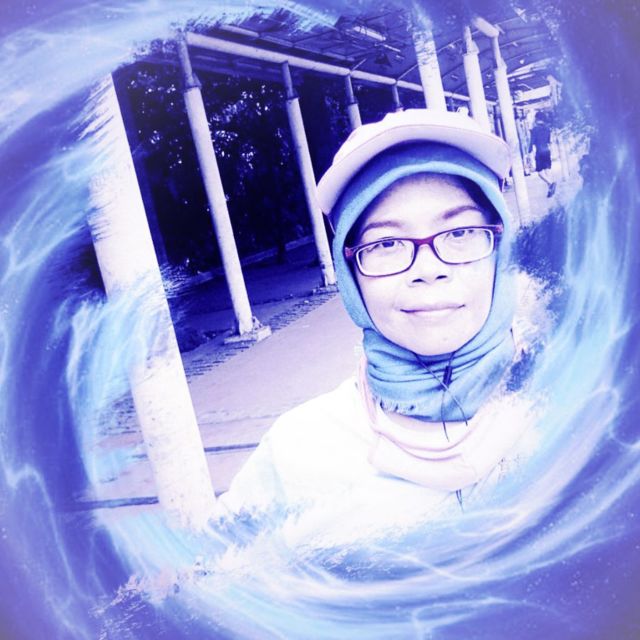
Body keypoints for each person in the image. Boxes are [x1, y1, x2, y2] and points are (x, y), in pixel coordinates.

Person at [216, 110, 536, 544]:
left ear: (501, 244)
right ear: (351, 273)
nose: (428, 269)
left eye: (460, 232)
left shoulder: (588, 393)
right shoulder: (298, 453)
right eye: (386, 243)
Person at [528, 111, 556, 197]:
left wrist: (529, 152)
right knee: (547, 171)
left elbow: (532, 143)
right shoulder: (547, 129)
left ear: (537, 119)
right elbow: (549, 141)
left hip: (539, 152)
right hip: (547, 151)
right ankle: (550, 190)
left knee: (540, 173)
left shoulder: (534, 130)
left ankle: (551, 183)